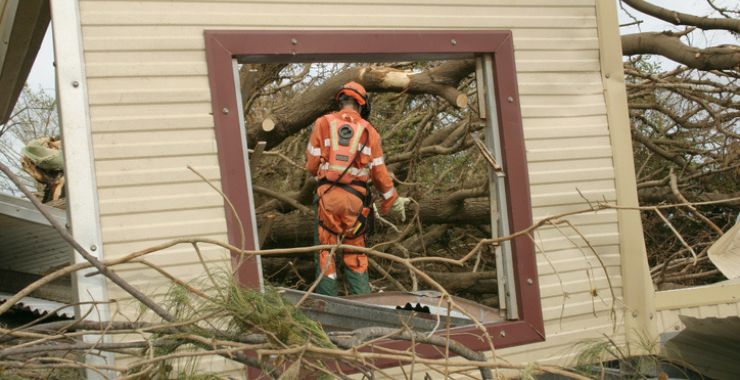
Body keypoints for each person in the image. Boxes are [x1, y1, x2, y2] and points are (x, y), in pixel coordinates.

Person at [305, 81, 409, 296]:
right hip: (355, 204)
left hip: (328, 200)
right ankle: (364, 305)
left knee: (326, 252)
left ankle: (328, 308)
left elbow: (312, 165)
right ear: (362, 105)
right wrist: (393, 201)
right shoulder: (370, 132)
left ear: (341, 101)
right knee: (356, 254)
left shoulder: (323, 123)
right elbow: (380, 174)